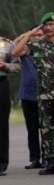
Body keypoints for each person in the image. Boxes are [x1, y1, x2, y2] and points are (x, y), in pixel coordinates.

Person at [12, 12, 54, 175]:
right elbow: (16, 52)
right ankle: (50, 163)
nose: (48, 28)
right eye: (46, 25)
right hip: (42, 95)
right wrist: (29, 34)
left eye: (51, 25)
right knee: (46, 129)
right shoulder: (36, 45)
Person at [14, 27, 45, 170]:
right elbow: (13, 47)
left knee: (46, 129)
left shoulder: (48, 50)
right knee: (32, 130)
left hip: (45, 95)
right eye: (36, 35)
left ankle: (47, 158)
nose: (38, 37)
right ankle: (35, 159)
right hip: (28, 96)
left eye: (40, 35)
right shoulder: (25, 50)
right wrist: (27, 34)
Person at [0, 36, 21, 176]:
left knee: (1, 125)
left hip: (1, 84)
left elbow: (18, 66)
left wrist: (5, 66)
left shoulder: (5, 44)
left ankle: (1, 163)